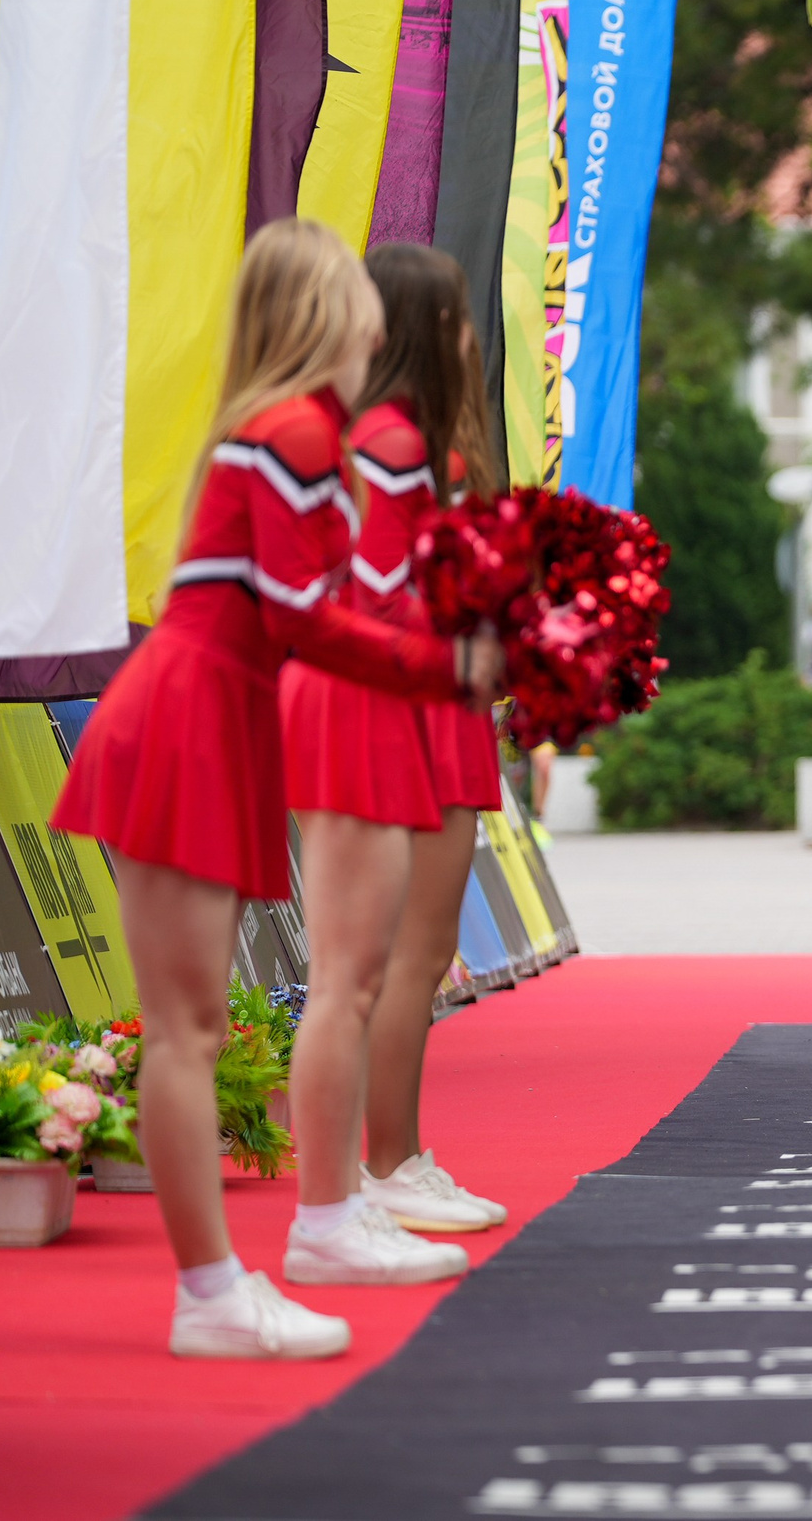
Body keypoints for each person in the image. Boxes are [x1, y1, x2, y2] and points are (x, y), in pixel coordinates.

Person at [49, 219, 503, 1360]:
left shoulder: (294, 431)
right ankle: (215, 1288)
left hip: (218, 719)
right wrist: (441, 665)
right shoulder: (299, 429)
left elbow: (313, 606)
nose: (376, 300)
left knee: (188, 1028)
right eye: (356, 284)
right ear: (326, 308)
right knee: (186, 1033)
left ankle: (231, 1276)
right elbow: (311, 618)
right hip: (194, 720)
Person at [311, 243, 511, 1246]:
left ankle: (393, 1156)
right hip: (419, 715)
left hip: (441, 710)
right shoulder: (393, 444)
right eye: (461, 318)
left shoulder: (416, 445)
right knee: (410, 955)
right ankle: (386, 1162)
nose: (472, 337)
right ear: (429, 328)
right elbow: (382, 595)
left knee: (413, 956)